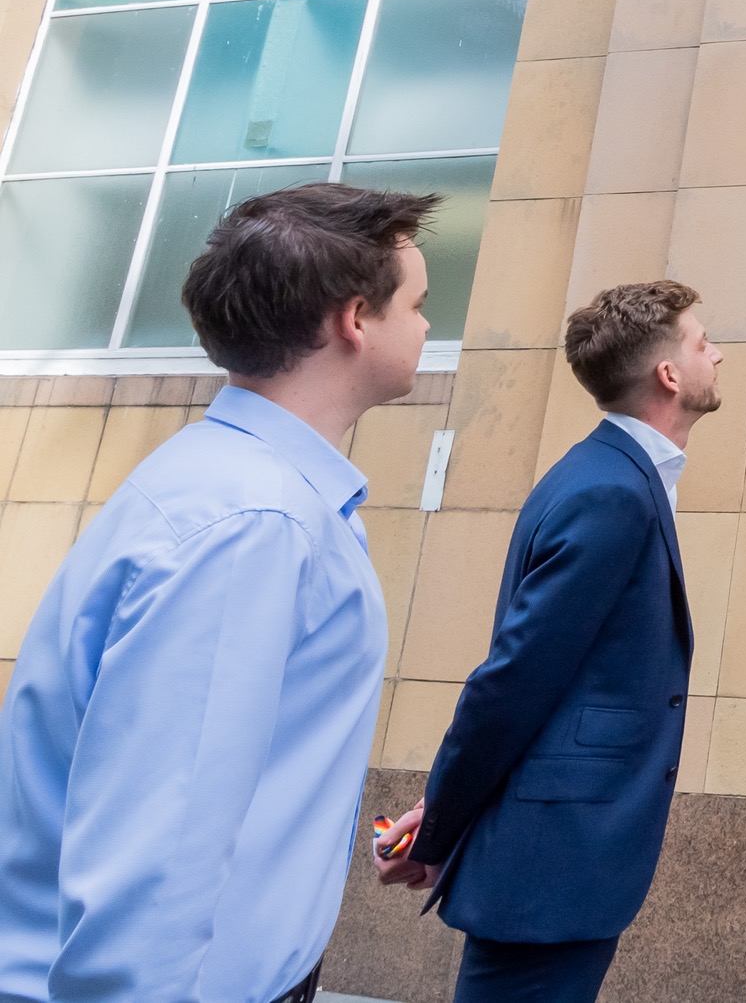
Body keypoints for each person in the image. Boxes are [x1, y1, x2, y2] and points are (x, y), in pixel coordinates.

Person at [0, 183, 438, 1003]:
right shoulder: (252, 521)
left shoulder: (240, 490)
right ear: (355, 318)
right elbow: (158, 860)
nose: (426, 324)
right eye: (417, 302)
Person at [370, 281, 722, 1002]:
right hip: (552, 866)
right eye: (700, 341)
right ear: (669, 374)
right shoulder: (611, 492)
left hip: (560, 862)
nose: (718, 353)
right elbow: (514, 678)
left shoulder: (612, 476)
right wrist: (438, 824)